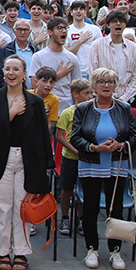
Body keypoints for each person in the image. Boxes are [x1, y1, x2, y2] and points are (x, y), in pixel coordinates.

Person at [0, 56, 52, 270]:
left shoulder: (35, 102)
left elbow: (42, 135)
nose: (11, 73)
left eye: (16, 69)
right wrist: (10, 114)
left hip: (26, 158)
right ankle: (2, 250)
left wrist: (45, 166)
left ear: (24, 73)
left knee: (23, 206)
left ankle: (21, 250)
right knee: (2, 206)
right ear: (3, 73)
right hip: (0, 156)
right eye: (8, 69)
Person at [70, 68, 136, 270]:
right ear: (94, 86)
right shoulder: (83, 108)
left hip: (117, 164)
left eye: (110, 82)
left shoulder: (124, 108)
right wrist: (94, 148)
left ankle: (115, 251)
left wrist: (121, 145)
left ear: (116, 85)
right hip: (90, 164)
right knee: (90, 207)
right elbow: (75, 137)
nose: (106, 86)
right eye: (101, 82)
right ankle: (92, 248)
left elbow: (135, 137)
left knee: (115, 207)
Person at [54, 76, 90, 237]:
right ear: (75, 94)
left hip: (86, 157)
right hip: (70, 156)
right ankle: (65, 217)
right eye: (86, 93)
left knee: (83, 189)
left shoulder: (92, 112)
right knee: (67, 187)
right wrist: (74, 149)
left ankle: (82, 218)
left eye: (91, 93)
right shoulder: (68, 113)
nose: (90, 96)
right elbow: (60, 136)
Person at [87, 10, 136, 106]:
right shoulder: (97, 45)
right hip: (102, 99)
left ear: (125, 24)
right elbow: (93, 74)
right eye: (114, 22)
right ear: (108, 25)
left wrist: (123, 99)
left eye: (121, 21)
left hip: (124, 100)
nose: (118, 24)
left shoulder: (133, 47)